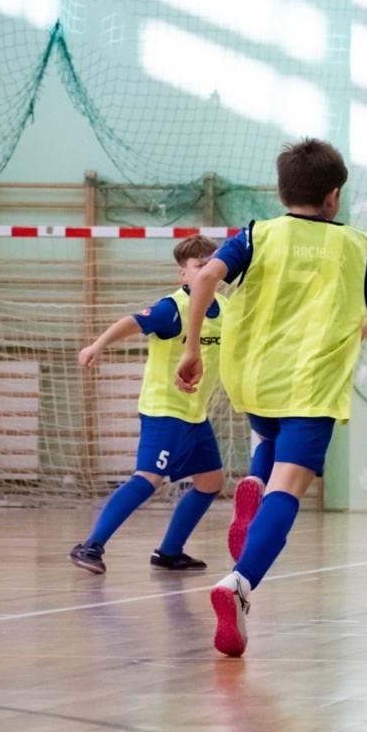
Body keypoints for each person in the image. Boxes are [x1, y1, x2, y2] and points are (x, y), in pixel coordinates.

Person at [178, 138, 367, 657]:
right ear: (334, 196)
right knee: (289, 489)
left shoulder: (257, 235)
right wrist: (350, 332)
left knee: (269, 442)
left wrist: (192, 349)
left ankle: (254, 476)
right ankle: (239, 584)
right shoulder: (353, 246)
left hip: (255, 381)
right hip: (310, 386)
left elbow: (207, 275)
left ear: (281, 191)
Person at [70, 236, 228, 575]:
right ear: (182, 275)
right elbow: (133, 321)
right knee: (149, 478)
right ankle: (90, 545)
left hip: (194, 413)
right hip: (164, 409)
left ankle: (170, 551)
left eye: (210, 267)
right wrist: (97, 345)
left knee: (211, 481)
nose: (205, 274)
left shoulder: (225, 310)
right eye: (198, 267)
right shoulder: (173, 308)